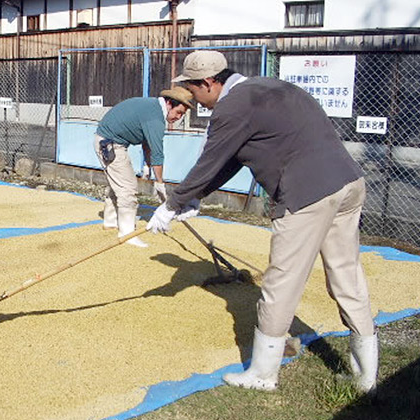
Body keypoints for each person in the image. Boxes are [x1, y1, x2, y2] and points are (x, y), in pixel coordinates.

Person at [147, 50, 378, 394]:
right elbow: (232, 159)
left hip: (306, 194)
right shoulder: (270, 87)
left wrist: (174, 203)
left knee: (281, 283)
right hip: (347, 184)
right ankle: (366, 378)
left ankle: (262, 374)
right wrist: (197, 197)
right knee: (346, 274)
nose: (195, 100)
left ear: (209, 82)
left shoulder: (232, 107)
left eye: (194, 91)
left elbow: (212, 158)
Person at [95, 87, 194, 247]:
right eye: (178, 112)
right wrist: (160, 182)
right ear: (169, 104)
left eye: (182, 115)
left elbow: (147, 143)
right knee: (127, 187)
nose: (178, 117)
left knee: (118, 184)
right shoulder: (155, 118)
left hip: (108, 139)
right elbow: (157, 153)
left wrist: (148, 167)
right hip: (110, 144)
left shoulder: (153, 108)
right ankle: (127, 234)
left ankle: (110, 222)